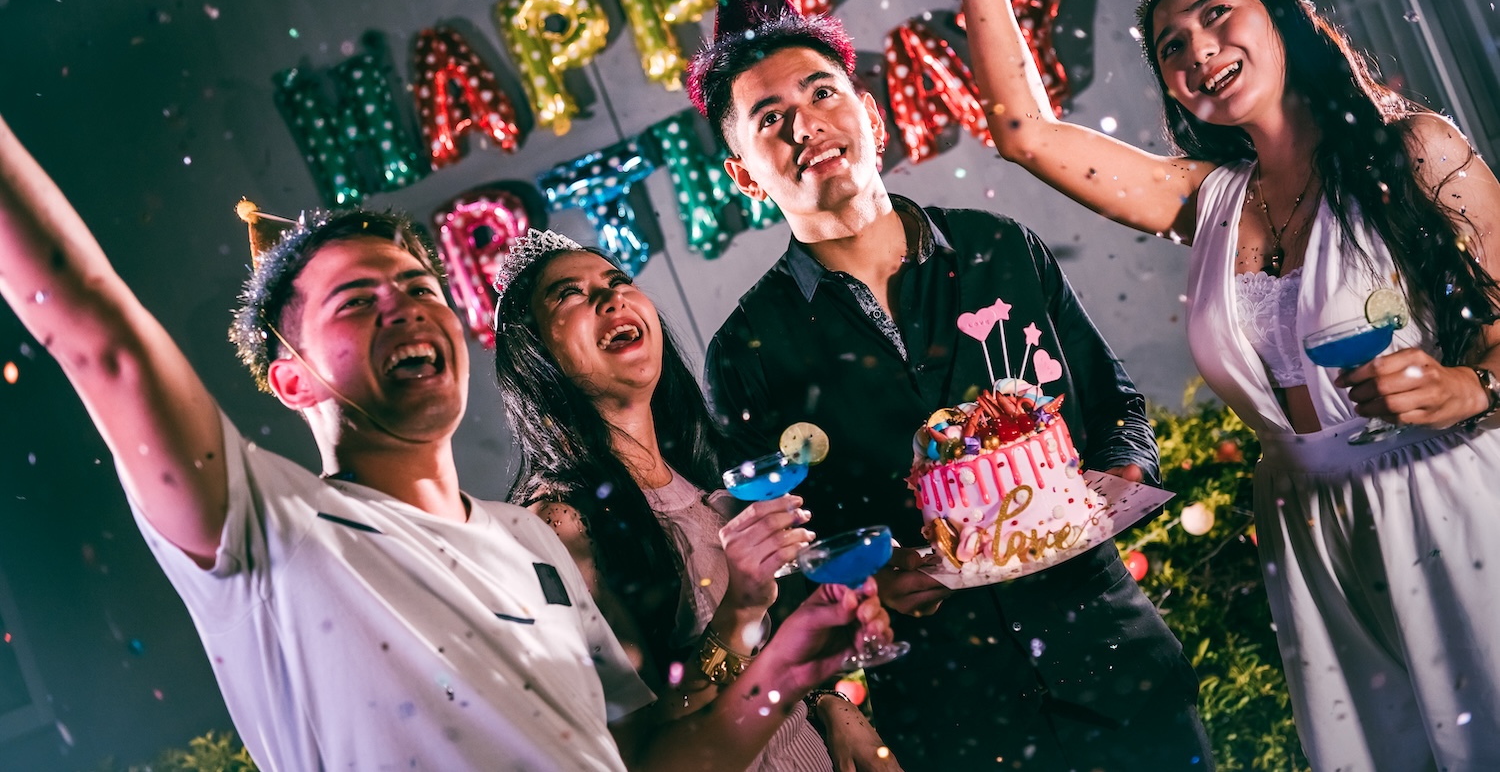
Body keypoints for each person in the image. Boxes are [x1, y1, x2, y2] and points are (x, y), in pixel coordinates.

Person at [0, 110, 892, 772]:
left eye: (419, 285)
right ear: (293, 379)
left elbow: (643, 760)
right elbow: (96, 331)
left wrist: (777, 670)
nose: (406, 305)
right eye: (357, 301)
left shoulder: (525, 541)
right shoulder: (271, 530)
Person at [914, 0, 1500, 770]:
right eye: (1173, 48)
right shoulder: (1209, 201)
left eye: (1220, 17)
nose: (1199, 51)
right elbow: (1024, 131)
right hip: (1310, 525)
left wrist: (1474, 387)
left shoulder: (1414, 150)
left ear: (1282, 16)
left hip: (1451, 496)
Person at [692, 0, 1211, 768]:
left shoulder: (999, 249)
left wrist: (1119, 478)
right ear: (746, 172)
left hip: (1114, 660)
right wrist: (860, 583)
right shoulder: (749, 349)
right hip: (955, 712)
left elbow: (1114, 403)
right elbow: (778, 548)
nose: (807, 126)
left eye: (823, 94)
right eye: (771, 118)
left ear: (869, 115)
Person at [492, 227, 901, 772]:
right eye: (570, 294)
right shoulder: (560, 527)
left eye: (617, 281)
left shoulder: (712, 479)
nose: (611, 297)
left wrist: (829, 703)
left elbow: (766, 670)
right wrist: (738, 611)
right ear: (533, 353)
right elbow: (629, 751)